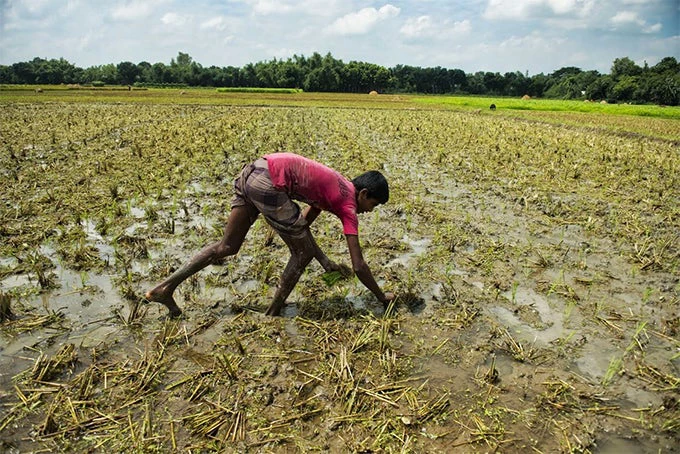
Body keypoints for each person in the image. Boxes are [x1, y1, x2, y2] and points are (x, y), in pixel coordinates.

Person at [145, 152, 395, 317]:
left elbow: (303, 226)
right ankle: (273, 311)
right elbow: (359, 265)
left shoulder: (337, 186)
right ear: (363, 194)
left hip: (255, 171)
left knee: (227, 247)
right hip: (270, 182)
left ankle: (164, 288)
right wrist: (381, 297)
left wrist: (324, 261)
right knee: (302, 254)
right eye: (373, 205)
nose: (369, 211)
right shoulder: (348, 205)